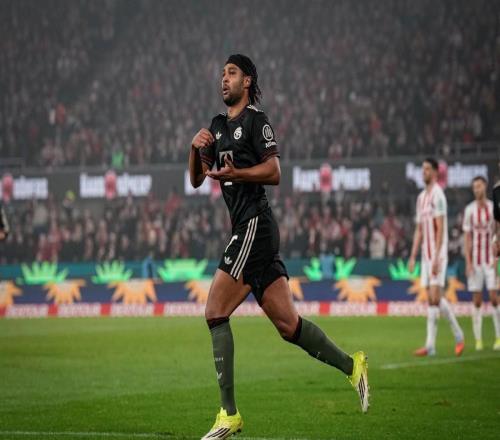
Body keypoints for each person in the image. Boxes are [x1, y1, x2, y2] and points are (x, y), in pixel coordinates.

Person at [188, 54, 369, 440]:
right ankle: (352, 366)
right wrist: (193, 149)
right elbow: (198, 179)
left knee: (215, 311)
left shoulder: (256, 121)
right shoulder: (217, 126)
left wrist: (238, 173)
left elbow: (274, 172)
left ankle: (228, 414)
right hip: (250, 229)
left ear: (247, 81)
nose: (224, 79)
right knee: (290, 326)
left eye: (232, 73)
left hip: (254, 225)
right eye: (222, 74)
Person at [408, 158, 465, 357]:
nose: (423, 172)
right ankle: (439, 342)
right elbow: (419, 230)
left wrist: (437, 257)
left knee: (434, 297)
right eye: (422, 169)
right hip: (425, 254)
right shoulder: (421, 198)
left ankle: (448, 339)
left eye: (426, 169)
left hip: (436, 254)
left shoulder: (438, 195)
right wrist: (413, 255)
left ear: (435, 172)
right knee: (433, 300)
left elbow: (441, 228)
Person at [463, 176, 500, 350]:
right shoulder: (469, 210)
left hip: (491, 260)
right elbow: (467, 238)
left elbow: (498, 231)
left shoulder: (494, 207)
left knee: (494, 298)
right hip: (476, 262)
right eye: (474, 187)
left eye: (479, 186)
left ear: (485, 186)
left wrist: (497, 257)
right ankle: (478, 340)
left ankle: (498, 337)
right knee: (477, 301)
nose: (476, 189)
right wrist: (468, 262)